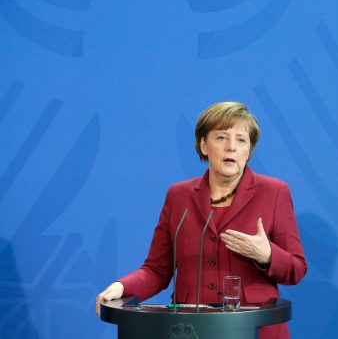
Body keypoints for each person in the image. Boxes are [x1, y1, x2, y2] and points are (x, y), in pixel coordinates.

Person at [96, 102, 307, 338]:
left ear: (249, 150)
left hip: (254, 328)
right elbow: (157, 269)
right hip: (190, 329)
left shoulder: (274, 193)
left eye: (241, 140)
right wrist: (122, 287)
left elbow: (297, 269)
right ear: (203, 145)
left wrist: (267, 255)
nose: (231, 148)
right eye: (221, 138)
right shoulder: (178, 196)